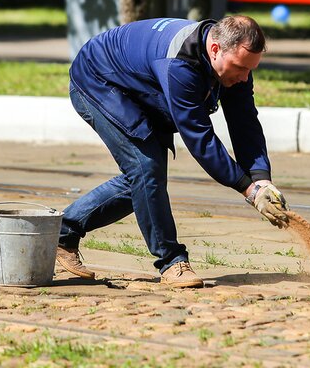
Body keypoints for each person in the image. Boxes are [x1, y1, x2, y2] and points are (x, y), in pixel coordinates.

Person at [56, 15, 290, 288]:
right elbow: (199, 138)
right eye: (240, 68)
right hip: (98, 80)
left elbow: (245, 122)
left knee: (145, 179)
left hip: (139, 85)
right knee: (146, 168)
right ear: (215, 49)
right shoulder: (180, 65)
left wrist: (262, 179)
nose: (245, 77)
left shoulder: (234, 62)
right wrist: (248, 190)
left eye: (251, 69)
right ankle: (171, 261)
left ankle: (62, 232)